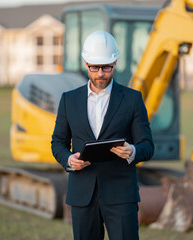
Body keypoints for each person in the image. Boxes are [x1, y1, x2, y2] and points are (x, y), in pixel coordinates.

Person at [51, 30, 154, 240]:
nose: (100, 74)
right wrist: (69, 160)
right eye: (94, 67)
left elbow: (147, 145)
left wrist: (132, 150)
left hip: (121, 195)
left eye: (106, 67)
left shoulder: (133, 99)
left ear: (115, 62)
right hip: (82, 196)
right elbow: (58, 143)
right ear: (86, 63)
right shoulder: (68, 100)